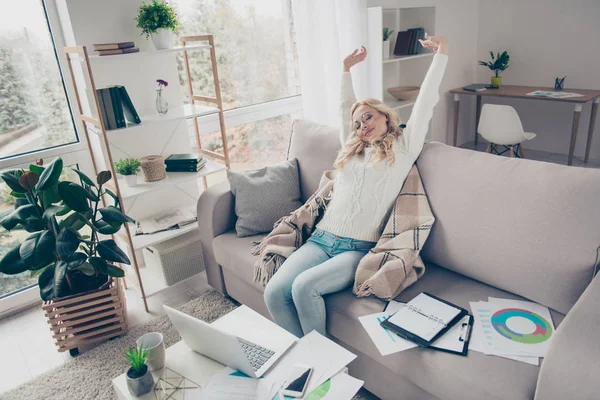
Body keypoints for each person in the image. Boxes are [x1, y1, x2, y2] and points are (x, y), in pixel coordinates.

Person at [264, 34, 449, 338]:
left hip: (356, 249)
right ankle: (307, 357)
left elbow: (426, 101)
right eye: (358, 125)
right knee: (274, 292)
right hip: (320, 240)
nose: (363, 126)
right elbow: (344, 108)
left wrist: (442, 53)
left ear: (385, 116)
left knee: (304, 287)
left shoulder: (404, 148)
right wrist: (345, 69)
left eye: (368, 117)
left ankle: (322, 361)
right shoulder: (352, 149)